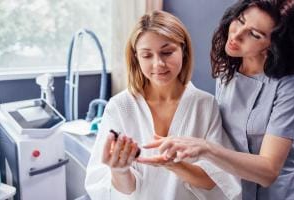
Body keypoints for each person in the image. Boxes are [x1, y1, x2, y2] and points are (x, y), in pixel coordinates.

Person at [143, 1, 294, 200]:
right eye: (240, 21)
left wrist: (206, 148)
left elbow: (269, 171)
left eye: (255, 34)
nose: (236, 35)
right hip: (238, 189)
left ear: (273, 45)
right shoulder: (228, 69)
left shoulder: (289, 86)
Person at [85, 10, 241, 200]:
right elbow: (119, 189)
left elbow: (215, 180)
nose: (158, 64)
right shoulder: (120, 106)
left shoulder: (204, 104)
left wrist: (172, 164)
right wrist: (120, 171)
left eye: (167, 52)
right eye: (146, 55)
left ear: (183, 50)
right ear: (136, 58)